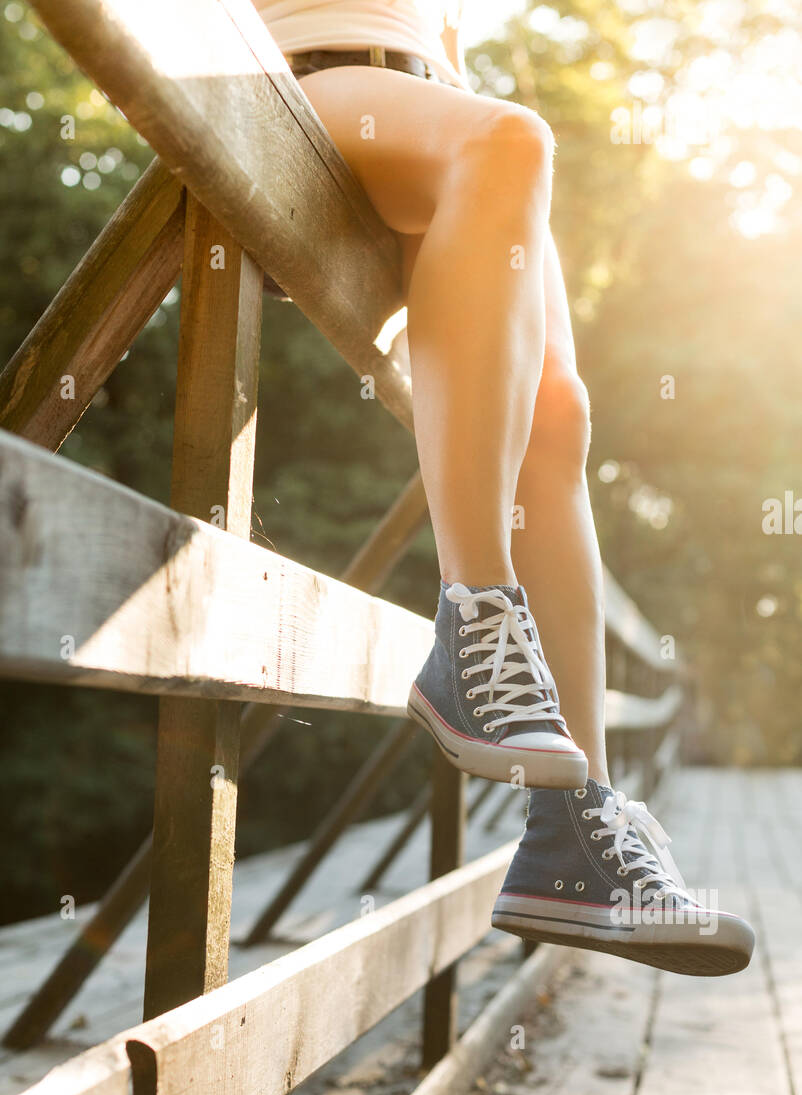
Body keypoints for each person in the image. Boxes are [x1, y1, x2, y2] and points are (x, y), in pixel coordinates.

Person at [255, 1, 754, 977]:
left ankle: (575, 831)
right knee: (512, 136)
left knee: (556, 419)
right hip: (303, 86)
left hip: (428, 104)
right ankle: (472, 620)